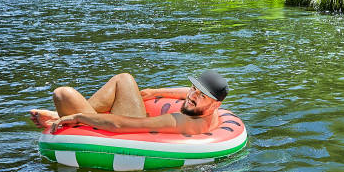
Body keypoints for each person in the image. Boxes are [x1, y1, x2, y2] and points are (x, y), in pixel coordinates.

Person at [30, 70, 228, 135]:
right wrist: (153, 92)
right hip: (132, 122)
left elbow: (119, 125)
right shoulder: (212, 109)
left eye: (201, 95)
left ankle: (63, 116)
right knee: (124, 78)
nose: (192, 95)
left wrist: (77, 117)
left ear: (214, 104)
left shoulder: (182, 121)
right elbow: (186, 92)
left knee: (63, 95)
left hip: (127, 133)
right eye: (194, 88)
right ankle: (67, 115)